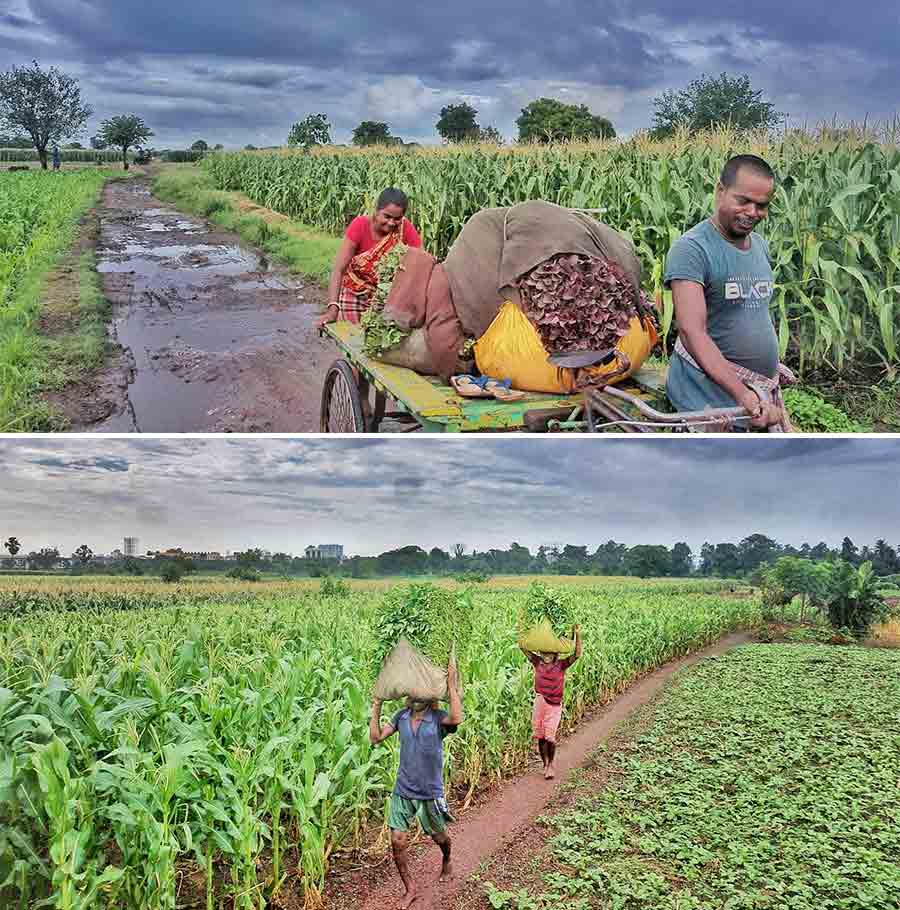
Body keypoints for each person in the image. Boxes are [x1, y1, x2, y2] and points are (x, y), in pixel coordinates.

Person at [664, 154, 794, 432]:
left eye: (762, 205)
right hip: (710, 394)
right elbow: (691, 332)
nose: (752, 212)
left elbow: (754, 310)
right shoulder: (692, 249)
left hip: (755, 390)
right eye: (743, 201)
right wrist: (742, 393)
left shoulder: (759, 245)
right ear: (720, 191)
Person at [370, 661, 462, 909]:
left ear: (429, 696)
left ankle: (447, 858)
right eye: (411, 692)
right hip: (402, 790)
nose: (415, 697)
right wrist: (377, 704)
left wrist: (451, 683)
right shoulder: (400, 717)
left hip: (429, 792)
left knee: (439, 837)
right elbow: (376, 738)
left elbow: (457, 717)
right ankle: (411, 887)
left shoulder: (438, 718)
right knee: (397, 840)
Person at [317, 187, 422, 327]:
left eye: (397, 219)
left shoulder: (405, 229)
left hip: (385, 298)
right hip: (355, 293)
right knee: (351, 338)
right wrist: (333, 308)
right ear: (376, 210)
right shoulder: (360, 226)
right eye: (387, 216)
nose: (391, 223)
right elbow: (339, 269)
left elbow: (421, 262)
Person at [519, 625, 582, 779]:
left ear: (555, 653)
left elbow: (577, 654)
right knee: (540, 737)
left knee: (550, 736)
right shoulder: (537, 662)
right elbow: (523, 647)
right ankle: (545, 764)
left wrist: (578, 635)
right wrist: (521, 629)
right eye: (544, 651)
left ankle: (551, 764)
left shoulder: (561, 665)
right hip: (540, 702)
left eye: (549, 652)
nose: (546, 654)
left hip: (554, 705)